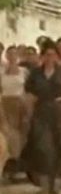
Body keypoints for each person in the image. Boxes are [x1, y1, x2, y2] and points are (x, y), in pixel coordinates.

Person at [23, 40, 61, 194]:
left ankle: (54, 185)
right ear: (42, 56)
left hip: (58, 112)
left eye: (53, 54)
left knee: (58, 147)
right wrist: (28, 116)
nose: (50, 58)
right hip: (41, 112)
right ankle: (44, 186)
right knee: (43, 148)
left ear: (57, 56)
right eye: (47, 54)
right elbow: (29, 96)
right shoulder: (35, 73)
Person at [0, 46, 29, 181]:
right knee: (7, 135)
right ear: (6, 56)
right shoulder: (2, 72)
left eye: (14, 54)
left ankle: (19, 167)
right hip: (6, 104)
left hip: (20, 104)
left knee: (21, 135)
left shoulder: (24, 72)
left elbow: (28, 90)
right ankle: (8, 167)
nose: (12, 56)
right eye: (9, 54)